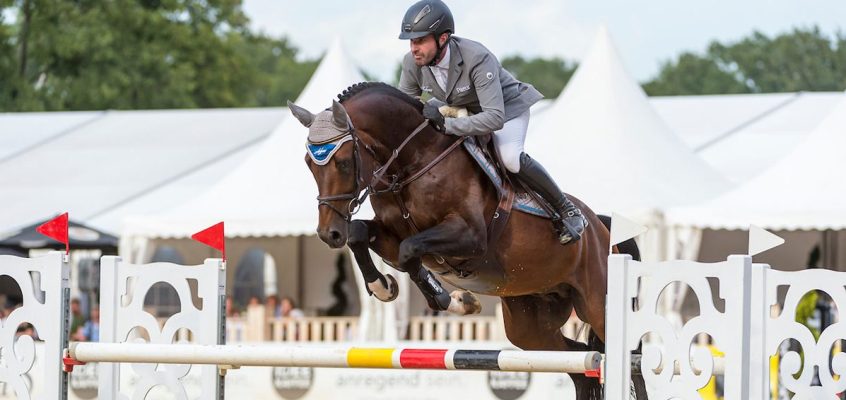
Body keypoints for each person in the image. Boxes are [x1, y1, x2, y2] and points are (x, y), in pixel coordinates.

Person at [397, 0, 587, 244]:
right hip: (465, 109)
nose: (414, 48)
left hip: (506, 110)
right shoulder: (413, 63)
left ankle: (567, 209)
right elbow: (403, 109)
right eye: (412, 41)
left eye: (420, 40)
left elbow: (494, 117)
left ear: (442, 38)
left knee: (510, 159)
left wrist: (446, 126)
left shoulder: (476, 57)